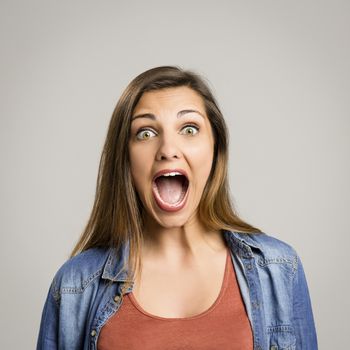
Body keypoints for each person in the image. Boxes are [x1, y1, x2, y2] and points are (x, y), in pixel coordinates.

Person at [36, 66, 318, 350]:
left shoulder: (279, 268)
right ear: (126, 159)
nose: (167, 149)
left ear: (215, 148)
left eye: (189, 129)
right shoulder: (75, 285)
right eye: (145, 133)